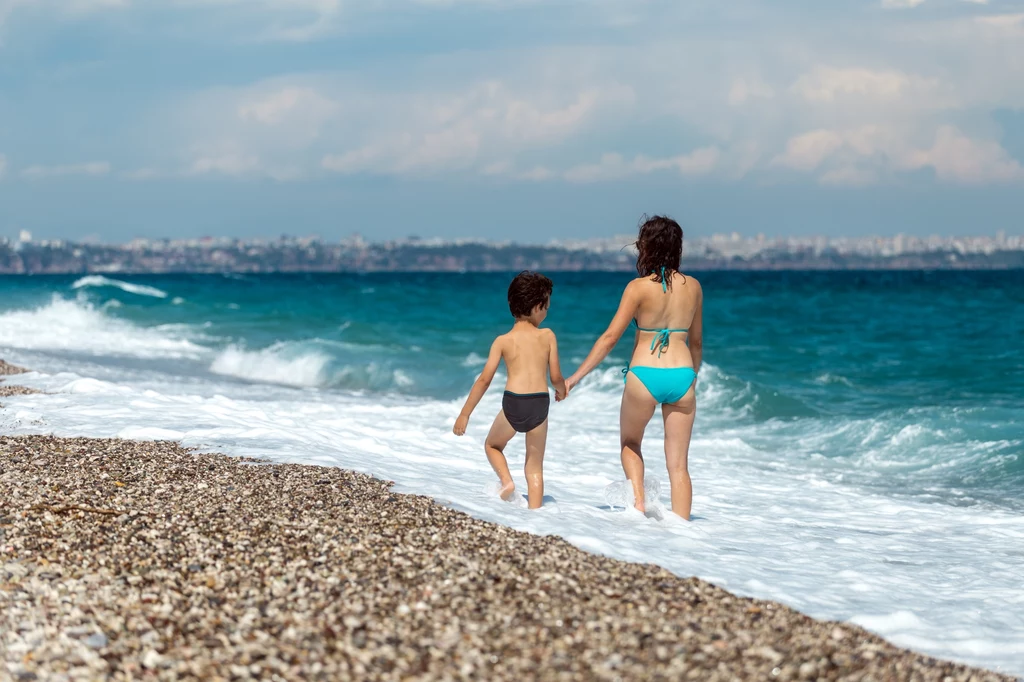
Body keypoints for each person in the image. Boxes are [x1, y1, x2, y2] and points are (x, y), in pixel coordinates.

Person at [566, 216, 703, 519]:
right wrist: (692, 378)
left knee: (630, 442)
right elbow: (696, 344)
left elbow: (610, 338)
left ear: (646, 247)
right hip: (682, 376)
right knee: (679, 466)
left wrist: (574, 378)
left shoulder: (637, 288)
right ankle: (685, 536)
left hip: (644, 375)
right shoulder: (693, 287)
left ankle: (638, 504)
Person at [453, 271, 567, 509]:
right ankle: (536, 513)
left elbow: (484, 380)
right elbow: (555, 376)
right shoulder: (548, 336)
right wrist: (561, 390)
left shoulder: (502, 341)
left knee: (492, 445)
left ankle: (506, 483)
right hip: (539, 403)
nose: (547, 312)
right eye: (546, 306)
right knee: (534, 466)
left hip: (513, 402)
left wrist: (465, 413)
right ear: (537, 307)